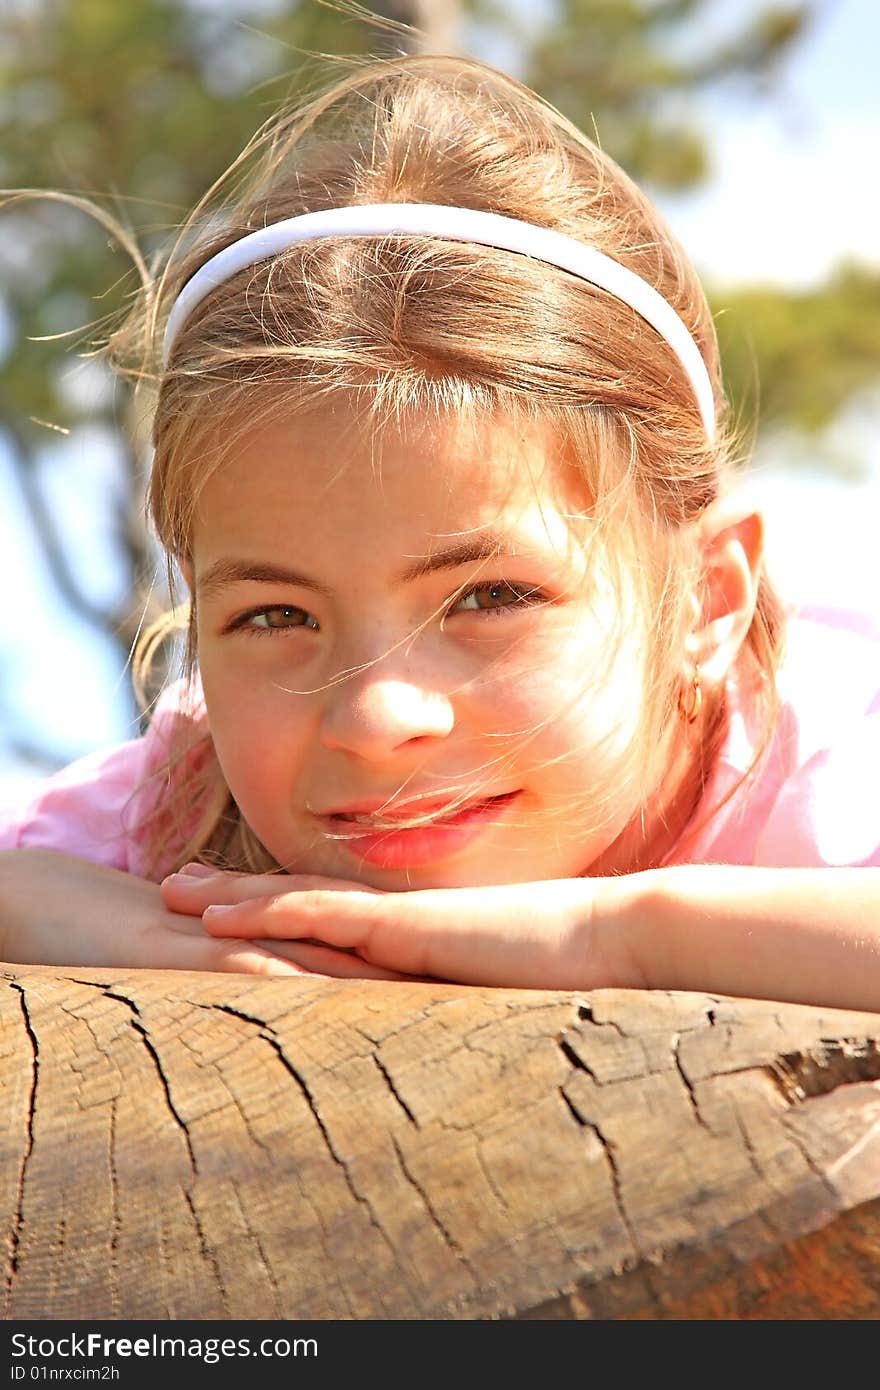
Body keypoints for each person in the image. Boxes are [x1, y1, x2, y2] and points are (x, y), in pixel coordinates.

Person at [1, 53, 878, 1008]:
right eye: (274, 616)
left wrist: (621, 934)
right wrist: (136, 929)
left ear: (707, 601)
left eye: (490, 597)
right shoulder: (180, 809)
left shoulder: (838, 773)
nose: (376, 720)